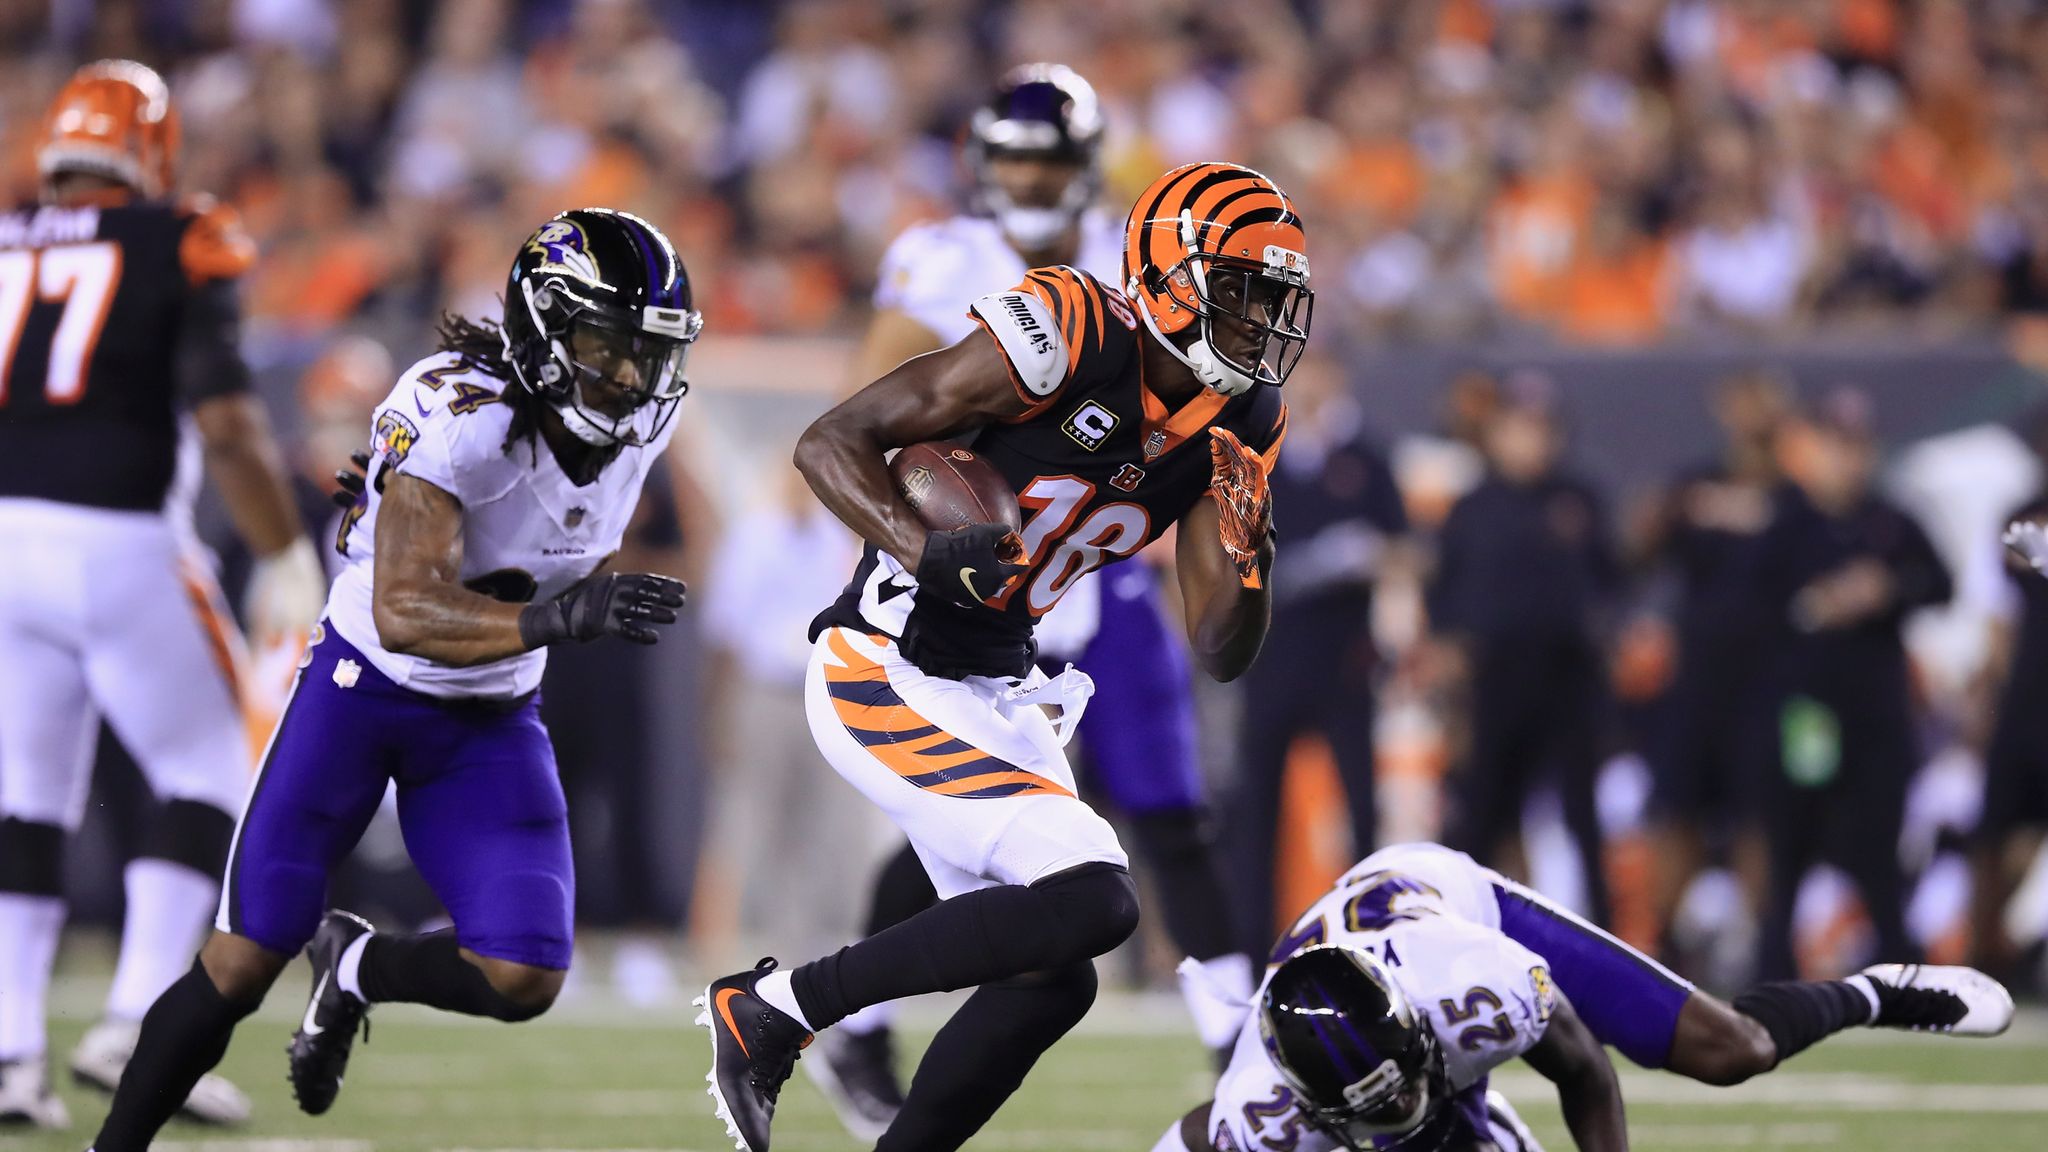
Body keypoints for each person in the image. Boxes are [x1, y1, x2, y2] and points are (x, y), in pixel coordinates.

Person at [699, 161, 1310, 1152]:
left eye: (1271, 300)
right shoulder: (1072, 328)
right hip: (886, 661)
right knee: (1097, 893)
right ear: (1168, 274)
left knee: (1050, 978)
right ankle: (777, 1009)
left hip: (996, 686)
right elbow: (831, 441)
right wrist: (925, 550)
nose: (1258, 322)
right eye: (1241, 292)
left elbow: (1218, 649)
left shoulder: (1240, 421)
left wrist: (1249, 558)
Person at [86, 207, 698, 1152]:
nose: (628, 376)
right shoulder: (460, 414)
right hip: (363, 692)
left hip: (491, 715)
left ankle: (361, 969)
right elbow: (403, 610)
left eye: (647, 353)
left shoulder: (641, 430)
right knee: (245, 957)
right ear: (546, 328)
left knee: (523, 974)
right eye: (607, 343)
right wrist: (559, 616)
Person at [810, 65, 1256, 1137]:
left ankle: (1230, 1027)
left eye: (1047, 161)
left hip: (1092, 583)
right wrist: (919, 550)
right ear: (980, 163)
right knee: (983, 842)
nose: (1028, 178)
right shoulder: (943, 257)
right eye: (1011, 158)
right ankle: (833, 1017)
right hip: (959, 563)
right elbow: (867, 418)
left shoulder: (1146, 257)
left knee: (1155, 812)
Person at [0, 60, 328, 1128]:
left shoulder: (5, 239)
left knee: (26, 798)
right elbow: (229, 422)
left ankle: (9, 1051)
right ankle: (136, 1021)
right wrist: (283, 547)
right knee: (216, 766)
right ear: (147, 151)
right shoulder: (176, 232)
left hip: (6, 544)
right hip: (122, 539)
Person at [1155, 842, 2014, 1152]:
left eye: (1412, 1084)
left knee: (1734, 1051)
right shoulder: (1259, 1114)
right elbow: (1203, 1135)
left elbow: (1583, 1072)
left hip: (1447, 898)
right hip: (1349, 1004)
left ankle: (1874, 991)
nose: (1410, 1108)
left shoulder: (1477, 987)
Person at [1751, 387, 1951, 980]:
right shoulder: (1789, 524)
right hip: (1808, 710)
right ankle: (1774, 965)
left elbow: (1941, 583)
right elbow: (1752, 608)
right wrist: (1815, 605)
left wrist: (1888, 590)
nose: (1847, 461)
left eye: (1857, 447)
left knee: (1879, 838)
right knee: (1794, 835)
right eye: (1837, 446)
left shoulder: (1891, 523)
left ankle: (1894, 959)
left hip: (1876, 710)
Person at [1225, 348, 1408, 955]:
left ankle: (1372, 935)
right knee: (1257, 809)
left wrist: (1359, 555)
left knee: (1361, 802)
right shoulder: (1257, 454)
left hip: (1343, 658)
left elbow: (1407, 550)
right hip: (1269, 653)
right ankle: (1251, 945)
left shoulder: (1365, 458)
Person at [1426, 376, 1617, 922]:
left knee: (1583, 819)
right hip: (1495, 681)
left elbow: (1613, 580)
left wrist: (1606, 629)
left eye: (1542, 429)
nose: (1532, 441)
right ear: (1497, 433)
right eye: (1520, 428)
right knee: (1482, 813)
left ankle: (1606, 939)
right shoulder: (1473, 507)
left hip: (1570, 678)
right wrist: (1449, 664)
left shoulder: (1579, 499)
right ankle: (1459, 928)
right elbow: (1443, 597)